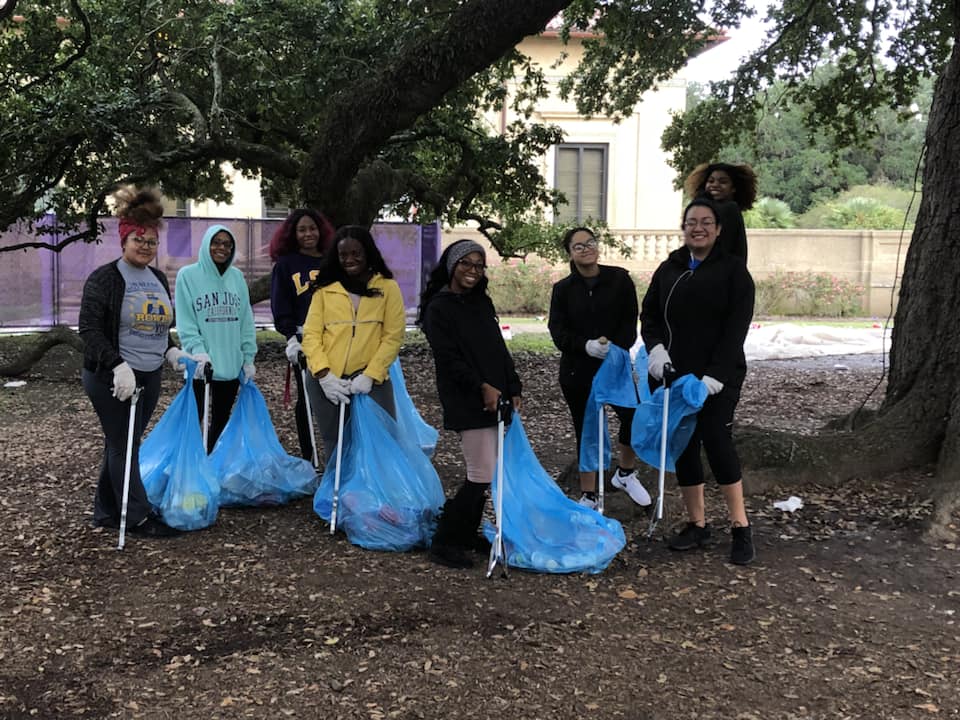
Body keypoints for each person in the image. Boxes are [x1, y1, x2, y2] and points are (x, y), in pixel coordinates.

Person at [640, 196, 756, 565]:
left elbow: (735, 329)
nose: (699, 227)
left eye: (707, 221)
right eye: (692, 221)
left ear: (719, 229)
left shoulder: (734, 272)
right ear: (684, 227)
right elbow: (650, 314)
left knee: (717, 440)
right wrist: (656, 350)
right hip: (673, 374)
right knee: (683, 443)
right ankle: (697, 523)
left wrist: (715, 376)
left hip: (716, 378)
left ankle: (740, 527)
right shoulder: (669, 268)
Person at [79, 186, 185, 537]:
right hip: (113, 376)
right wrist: (117, 365)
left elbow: (159, 324)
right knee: (125, 444)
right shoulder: (106, 278)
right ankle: (137, 516)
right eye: (138, 239)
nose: (145, 246)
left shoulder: (156, 278)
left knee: (121, 442)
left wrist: (170, 350)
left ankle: (108, 511)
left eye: (151, 241)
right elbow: (89, 329)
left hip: (149, 374)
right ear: (124, 240)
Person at [419, 239, 523, 569]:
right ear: (451, 265)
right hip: (467, 397)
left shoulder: (481, 303)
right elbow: (448, 359)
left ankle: (466, 532)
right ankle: (445, 540)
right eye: (466, 263)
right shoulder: (439, 308)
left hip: (497, 395)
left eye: (479, 266)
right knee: (480, 474)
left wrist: (513, 384)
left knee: (486, 472)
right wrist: (482, 387)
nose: (473, 271)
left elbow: (497, 349)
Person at [548, 227, 650, 511]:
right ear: (570, 253)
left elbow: (630, 322)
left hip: (614, 365)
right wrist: (585, 346)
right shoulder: (563, 290)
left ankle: (625, 473)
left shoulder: (619, 279)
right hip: (577, 370)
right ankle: (589, 493)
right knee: (587, 427)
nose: (586, 249)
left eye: (590, 243)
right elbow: (558, 332)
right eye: (578, 246)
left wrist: (614, 347)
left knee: (633, 416)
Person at [301, 225, 405, 467]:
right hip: (328, 379)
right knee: (336, 442)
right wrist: (324, 375)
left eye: (356, 253)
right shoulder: (325, 290)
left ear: (368, 253)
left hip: (372, 380)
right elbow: (312, 335)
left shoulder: (388, 288)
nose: (349, 260)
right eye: (343, 255)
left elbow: (392, 336)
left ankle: (379, 498)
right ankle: (341, 496)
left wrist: (370, 375)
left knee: (381, 441)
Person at [174, 224, 258, 452]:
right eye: (216, 242)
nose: (222, 248)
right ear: (206, 244)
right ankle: (188, 464)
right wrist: (198, 352)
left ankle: (209, 462)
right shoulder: (187, 276)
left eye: (227, 244)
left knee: (221, 419)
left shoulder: (237, 278)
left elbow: (245, 320)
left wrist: (248, 356)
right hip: (202, 366)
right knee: (193, 419)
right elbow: (186, 320)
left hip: (230, 366)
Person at [269, 208, 336, 461]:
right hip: (304, 338)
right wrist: (290, 338)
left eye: (312, 228)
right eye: (302, 229)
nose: (308, 233)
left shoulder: (333, 260)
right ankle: (310, 457)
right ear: (293, 234)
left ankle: (340, 452)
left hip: (336, 337)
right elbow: (280, 304)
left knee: (339, 391)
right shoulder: (286, 265)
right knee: (308, 396)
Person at [684, 162, 757, 263]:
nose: (715, 185)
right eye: (711, 181)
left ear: (733, 188)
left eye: (723, 182)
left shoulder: (730, 209)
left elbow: (723, 247)